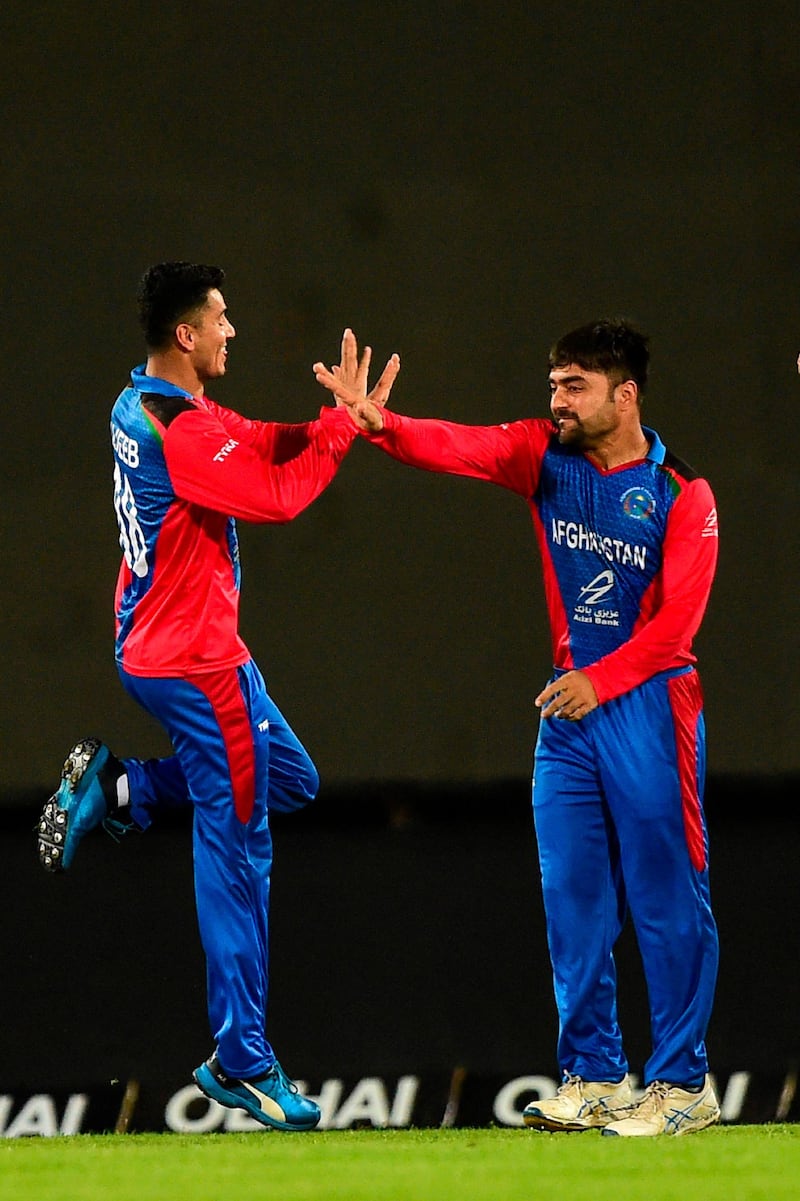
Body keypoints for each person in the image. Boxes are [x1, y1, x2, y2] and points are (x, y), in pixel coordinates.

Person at [314, 321, 721, 1137]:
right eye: (553, 385)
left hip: (647, 703)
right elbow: (458, 445)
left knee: (667, 897)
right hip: (568, 717)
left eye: (574, 385)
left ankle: (683, 1085)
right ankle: (597, 1074)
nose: (556, 400)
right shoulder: (544, 456)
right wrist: (381, 425)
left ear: (625, 394)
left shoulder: (684, 493)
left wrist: (597, 680)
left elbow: (677, 627)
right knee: (572, 896)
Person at [36, 262, 399, 1133]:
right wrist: (347, 434)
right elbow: (277, 496)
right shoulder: (180, 429)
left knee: (292, 779)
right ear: (187, 334)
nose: (234, 330)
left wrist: (326, 418)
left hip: (168, 644)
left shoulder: (151, 403)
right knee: (238, 853)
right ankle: (242, 1063)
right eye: (223, 318)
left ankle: (118, 789)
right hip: (198, 665)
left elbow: (263, 441)